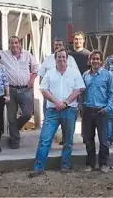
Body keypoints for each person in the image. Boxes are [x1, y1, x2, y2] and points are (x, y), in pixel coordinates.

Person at [29, 49, 85, 177]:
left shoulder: (74, 72)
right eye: (59, 57)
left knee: (68, 140)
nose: (61, 59)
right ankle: (39, 168)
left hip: (69, 110)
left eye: (64, 57)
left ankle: (65, 165)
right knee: (45, 139)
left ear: (67, 58)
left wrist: (65, 103)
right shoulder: (49, 73)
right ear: (55, 59)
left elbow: (78, 89)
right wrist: (57, 102)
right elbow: (43, 89)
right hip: (52, 111)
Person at [37, 37, 79, 145]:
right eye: (56, 44)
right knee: (48, 125)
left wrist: (68, 100)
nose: (57, 46)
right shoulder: (48, 59)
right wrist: (45, 92)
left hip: (68, 101)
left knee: (67, 127)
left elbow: (77, 80)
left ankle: (65, 141)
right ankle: (49, 142)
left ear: (64, 46)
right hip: (51, 99)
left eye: (60, 44)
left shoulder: (71, 60)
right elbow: (41, 76)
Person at [81, 50, 113, 172]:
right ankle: (90, 164)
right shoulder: (85, 75)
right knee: (88, 139)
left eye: (97, 59)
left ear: (101, 61)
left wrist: (107, 108)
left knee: (104, 140)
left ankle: (104, 163)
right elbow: (81, 93)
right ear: (89, 61)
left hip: (102, 112)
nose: (95, 61)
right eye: (93, 59)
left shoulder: (108, 75)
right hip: (88, 111)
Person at [69, 31, 91, 144]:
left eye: (80, 39)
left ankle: (85, 136)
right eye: (76, 39)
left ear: (83, 40)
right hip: (71, 89)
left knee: (85, 114)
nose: (77, 41)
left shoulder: (88, 54)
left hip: (83, 88)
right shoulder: (69, 55)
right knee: (70, 113)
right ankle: (68, 137)